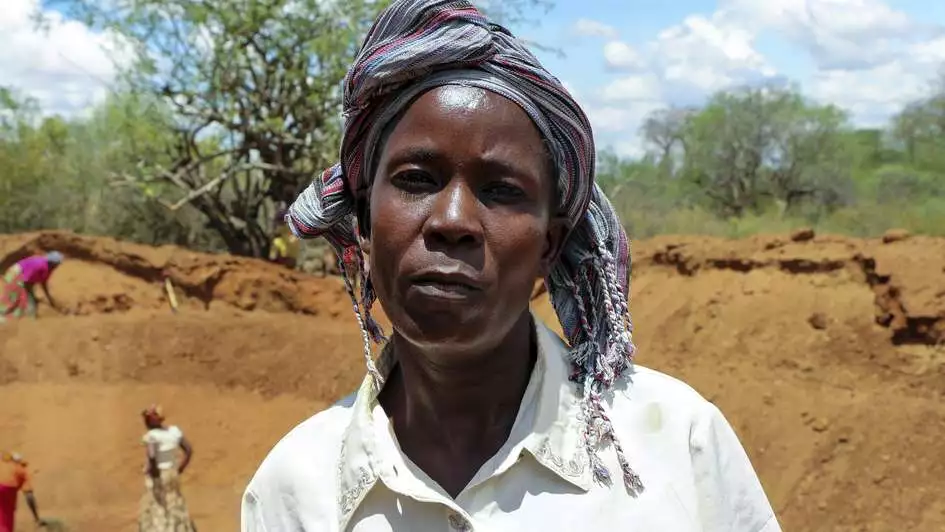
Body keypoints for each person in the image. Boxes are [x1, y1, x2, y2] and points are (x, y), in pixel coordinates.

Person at [242, 1, 781, 530]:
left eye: (501, 191)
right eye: (415, 179)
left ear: (550, 245)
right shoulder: (296, 489)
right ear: (362, 221)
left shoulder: (676, 446)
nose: (453, 221)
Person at [139, 405, 196, 532]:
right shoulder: (173, 431)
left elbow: (152, 456)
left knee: (158, 504)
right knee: (174, 502)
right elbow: (189, 450)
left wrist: (154, 472)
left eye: (147, 419)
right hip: (172, 473)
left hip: (160, 474)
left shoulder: (152, 436)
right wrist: (179, 469)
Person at [0, 252, 63, 322]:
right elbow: (26, 279)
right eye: (57, 264)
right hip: (16, 273)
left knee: (30, 301)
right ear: (52, 263)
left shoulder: (49, 269)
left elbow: (43, 283)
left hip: (26, 280)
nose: (58, 266)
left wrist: (49, 299)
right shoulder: (39, 264)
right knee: (14, 297)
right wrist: (29, 294)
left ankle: (30, 319)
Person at [0, 451, 44, 532]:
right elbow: (29, 495)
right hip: (9, 490)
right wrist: (36, 517)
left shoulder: (5, 465)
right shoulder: (21, 470)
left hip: (5, 489)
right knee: (7, 514)